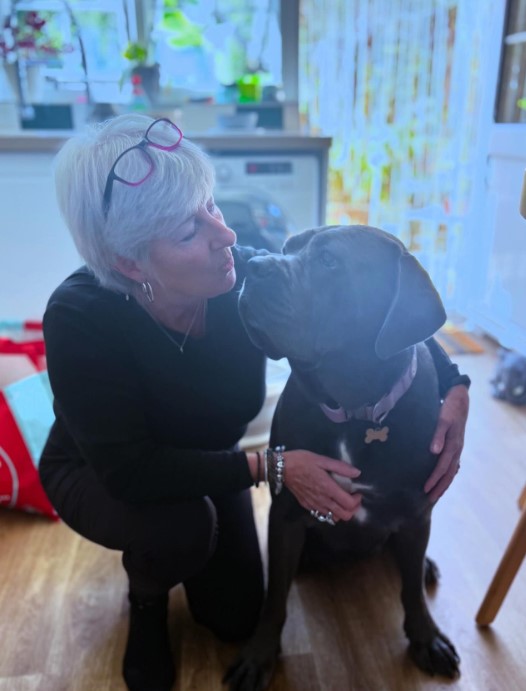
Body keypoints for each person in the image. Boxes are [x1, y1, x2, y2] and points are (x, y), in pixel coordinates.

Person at [39, 114, 470, 691]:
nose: (226, 236)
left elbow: (378, 303)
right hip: (107, 471)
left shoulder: (239, 272)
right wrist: (273, 466)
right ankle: (145, 599)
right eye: (189, 230)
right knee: (181, 529)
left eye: (210, 205)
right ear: (131, 263)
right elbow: (130, 469)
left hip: (212, 458)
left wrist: (456, 383)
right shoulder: (80, 317)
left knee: (235, 616)